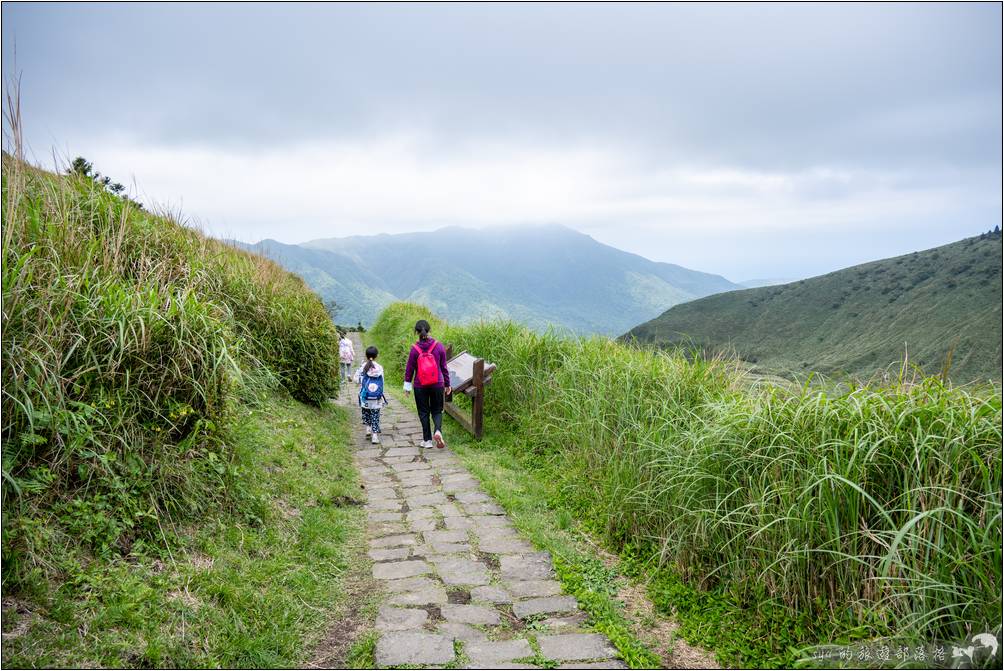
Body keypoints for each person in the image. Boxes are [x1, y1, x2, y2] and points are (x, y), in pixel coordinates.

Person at [403, 320, 451, 449]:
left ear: (416, 332)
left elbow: (409, 369)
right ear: (429, 330)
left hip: (420, 385)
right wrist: (447, 384)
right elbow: (444, 367)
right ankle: (438, 431)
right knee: (437, 410)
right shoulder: (439, 346)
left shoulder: (415, 349)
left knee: (423, 412)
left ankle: (427, 440)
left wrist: (407, 386)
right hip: (437, 383)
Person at [353, 346, 387, 444]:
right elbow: (382, 382)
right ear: (377, 356)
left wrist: (361, 382)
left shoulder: (363, 366)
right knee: (375, 415)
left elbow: (356, 379)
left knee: (366, 412)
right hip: (376, 397)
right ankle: (375, 436)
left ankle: (368, 429)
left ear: (366, 355)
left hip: (365, 396)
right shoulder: (379, 368)